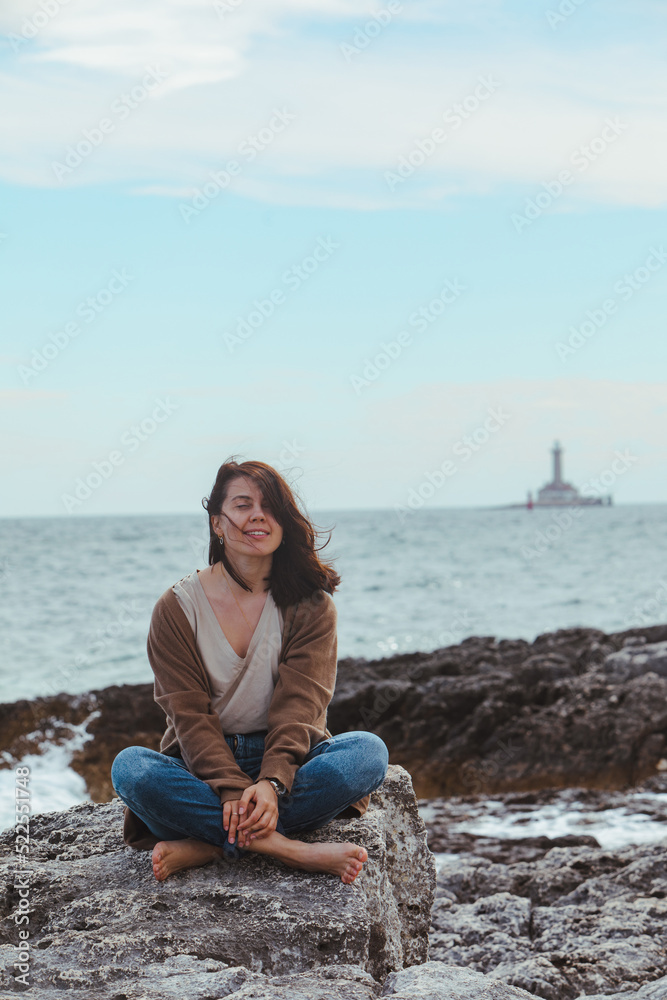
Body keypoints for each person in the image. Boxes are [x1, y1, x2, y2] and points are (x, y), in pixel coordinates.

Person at [111, 458, 389, 884]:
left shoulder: (311, 606)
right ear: (218, 523)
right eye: (242, 505)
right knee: (131, 769)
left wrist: (273, 784)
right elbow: (189, 716)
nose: (258, 515)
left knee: (367, 753)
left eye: (270, 506)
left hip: (287, 760)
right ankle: (285, 847)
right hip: (200, 768)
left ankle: (207, 844)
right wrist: (230, 788)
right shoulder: (177, 607)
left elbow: (301, 708)